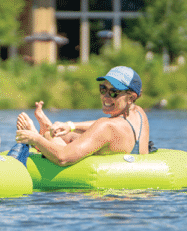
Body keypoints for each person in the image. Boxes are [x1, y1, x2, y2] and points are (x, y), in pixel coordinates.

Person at [16, 65, 150, 166]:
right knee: (69, 134)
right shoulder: (138, 113)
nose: (106, 97)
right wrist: (71, 125)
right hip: (133, 169)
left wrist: (35, 139)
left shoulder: (106, 126)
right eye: (103, 89)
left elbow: (63, 158)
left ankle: (41, 136)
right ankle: (49, 128)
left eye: (114, 92)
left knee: (50, 136)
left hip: (108, 197)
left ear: (131, 97)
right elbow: (107, 126)